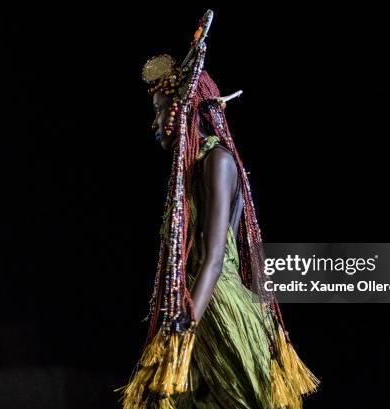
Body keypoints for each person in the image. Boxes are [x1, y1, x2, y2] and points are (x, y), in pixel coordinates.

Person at [115, 10, 319, 409]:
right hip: (199, 302)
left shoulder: (216, 160)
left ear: (185, 109)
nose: (155, 122)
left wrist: (185, 324)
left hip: (216, 305)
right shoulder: (195, 170)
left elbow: (214, 258)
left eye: (160, 111)